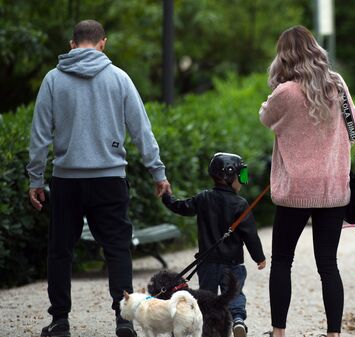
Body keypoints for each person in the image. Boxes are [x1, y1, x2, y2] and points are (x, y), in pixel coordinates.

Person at [27, 20, 171, 337]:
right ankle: (124, 320)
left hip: (67, 180)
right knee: (118, 249)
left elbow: (39, 136)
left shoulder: (53, 80)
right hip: (109, 179)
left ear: (71, 44)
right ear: (102, 43)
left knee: (60, 250)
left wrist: (36, 179)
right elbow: (141, 130)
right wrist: (157, 172)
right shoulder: (119, 79)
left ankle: (60, 320)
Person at [259, 25, 355, 337]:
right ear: (316, 51)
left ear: (283, 57)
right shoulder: (337, 85)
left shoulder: (285, 92)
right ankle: (333, 334)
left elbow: (265, 117)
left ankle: (278, 332)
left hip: (295, 190)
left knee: (282, 262)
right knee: (328, 265)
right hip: (332, 188)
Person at [162, 152, 266, 337]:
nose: (242, 181)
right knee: (234, 293)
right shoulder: (240, 204)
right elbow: (250, 235)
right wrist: (259, 257)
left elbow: (181, 207)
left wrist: (167, 197)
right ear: (230, 175)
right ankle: (238, 319)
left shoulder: (203, 198)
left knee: (207, 297)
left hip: (207, 263)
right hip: (232, 263)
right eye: (241, 176)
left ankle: (207, 327)